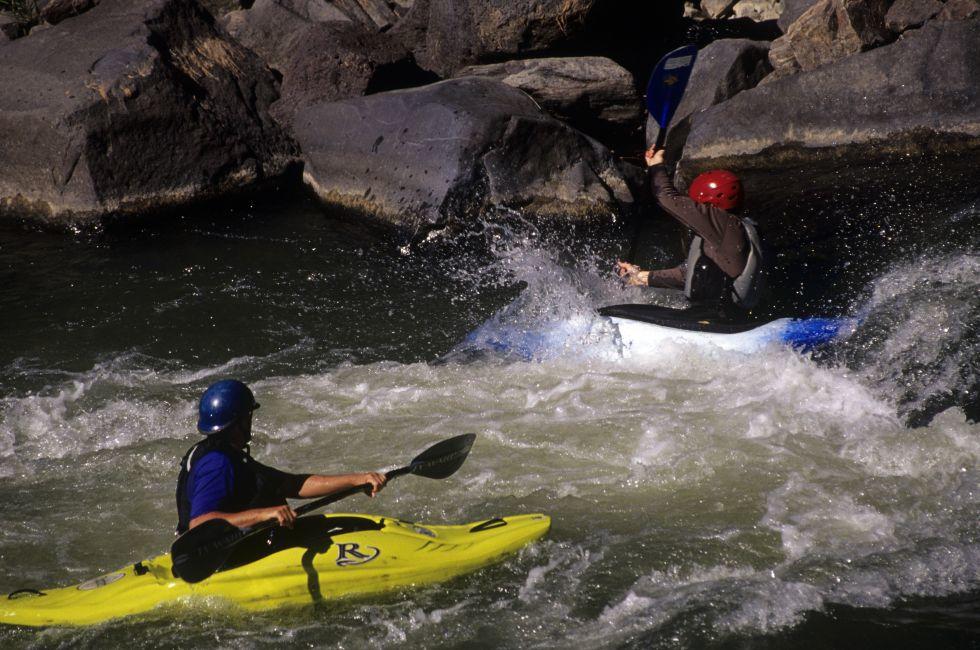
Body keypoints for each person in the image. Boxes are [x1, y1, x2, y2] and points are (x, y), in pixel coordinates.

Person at [175, 379, 386, 535]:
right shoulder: (218, 464)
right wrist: (266, 514)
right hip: (223, 560)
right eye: (248, 416)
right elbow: (200, 524)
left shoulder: (223, 453)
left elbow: (292, 485)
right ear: (239, 422)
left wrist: (358, 480)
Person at [616, 148, 766, 317]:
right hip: (728, 317)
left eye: (699, 205)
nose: (696, 209)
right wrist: (640, 277)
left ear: (710, 205)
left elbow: (666, 198)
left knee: (615, 313)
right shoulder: (734, 231)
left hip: (714, 319)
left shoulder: (721, 222)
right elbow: (689, 276)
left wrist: (657, 165)